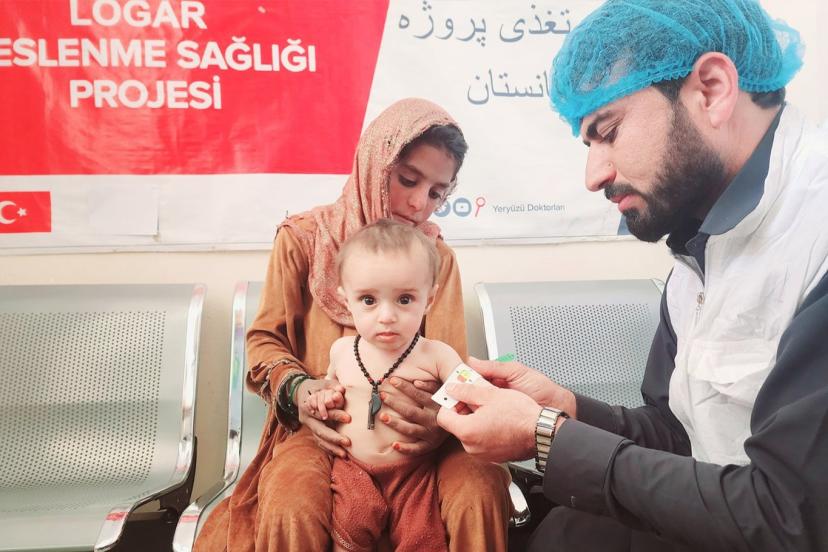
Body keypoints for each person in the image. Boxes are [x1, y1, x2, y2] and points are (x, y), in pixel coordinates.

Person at [437, 1, 828, 551]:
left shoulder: (816, 235)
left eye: (609, 131)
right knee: (560, 535)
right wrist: (564, 409)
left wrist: (546, 436)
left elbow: (792, 518)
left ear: (712, 89)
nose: (593, 175)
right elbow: (675, 432)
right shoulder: (698, 247)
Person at [195, 98, 511, 551]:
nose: (419, 203)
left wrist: (438, 422)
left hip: (421, 437)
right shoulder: (304, 239)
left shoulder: (436, 257)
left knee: (479, 488)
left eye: (437, 193)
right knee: (291, 500)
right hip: (321, 431)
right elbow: (266, 340)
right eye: (408, 180)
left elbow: (452, 365)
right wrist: (301, 391)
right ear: (375, 166)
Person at [303, 218, 492, 552]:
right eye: (369, 300)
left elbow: (476, 395)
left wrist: (477, 392)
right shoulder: (342, 351)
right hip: (352, 467)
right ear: (346, 300)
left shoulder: (437, 355)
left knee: (422, 536)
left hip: (413, 472)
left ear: (429, 300)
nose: (387, 316)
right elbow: (329, 388)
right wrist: (323, 398)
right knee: (349, 525)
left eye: (404, 300)